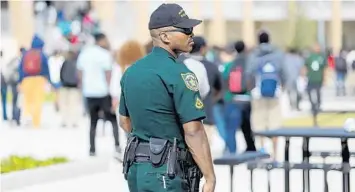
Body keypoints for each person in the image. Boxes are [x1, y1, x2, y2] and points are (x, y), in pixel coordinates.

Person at [119, 3, 215, 192]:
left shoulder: (132, 72)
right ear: (164, 36)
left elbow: (124, 121)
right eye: (186, 30)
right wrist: (210, 177)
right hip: (167, 172)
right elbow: (194, 131)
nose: (191, 34)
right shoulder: (179, 74)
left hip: (137, 170)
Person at [77, 33, 120, 156]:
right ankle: (117, 145)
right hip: (103, 92)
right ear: (100, 40)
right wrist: (110, 89)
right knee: (112, 119)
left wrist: (83, 86)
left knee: (93, 121)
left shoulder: (84, 54)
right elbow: (108, 74)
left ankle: (92, 149)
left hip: (89, 92)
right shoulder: (104, 54)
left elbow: (80, 73)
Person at [246, 31, 286, 158]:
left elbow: (248, 73)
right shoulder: (277, 54)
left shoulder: (254, 55)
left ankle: (263, 149)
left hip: (258, 94)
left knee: (260, 123)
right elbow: (284, 73)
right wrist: (282, 87)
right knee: (274, 124)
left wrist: (250, 89)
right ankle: (275, 154)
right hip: (275, 93)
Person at [182, 36, 223, 147]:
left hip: (186, 117)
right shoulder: (212, 66)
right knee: (206, 151)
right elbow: (220, 89)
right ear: (203, 48)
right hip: (206, 114)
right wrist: (211, 101)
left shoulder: (180, 64)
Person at [222, 40, 257, 154]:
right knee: (247, 126)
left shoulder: (230, 65)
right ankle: (251, 147)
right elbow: (253, 81)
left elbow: (224, 81)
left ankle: (232, 150)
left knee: (231, 127)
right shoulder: (249, 63)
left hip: (233, 99)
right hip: (246, 99)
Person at [18, 35, 52, 128]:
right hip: (39, 79)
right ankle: (36, 122)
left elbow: (20, 68)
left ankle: (27, 116)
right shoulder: (42, 55)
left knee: (28, 100)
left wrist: (20, 81)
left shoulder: (26, 54)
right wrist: (49, 80)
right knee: (37, 100)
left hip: (26, 80)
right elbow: (46, 68)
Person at [110, 40, 146, 114]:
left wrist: (114, 98)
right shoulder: (144, 67)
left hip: (123, 102)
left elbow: (113, 88)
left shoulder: (119, 68)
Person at [1, 48, 25, 124]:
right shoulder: (18, 61)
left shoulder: (14, 60)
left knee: (14, 100)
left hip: (11, 82)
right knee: (17, 100)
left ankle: (13, 116)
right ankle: (16, 117)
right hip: (15, 82)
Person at [59, 50, 80, 127]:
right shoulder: (77, 63)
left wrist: (62, 82)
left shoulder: (65, 62)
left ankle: (64, 121)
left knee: (64, 104)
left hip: (64, 86)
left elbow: (61, 73)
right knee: (74, 105)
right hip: (74, 87)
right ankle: (74, 121)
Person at [304, 43, 327, 113]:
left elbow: (324, 69)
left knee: (318, 93)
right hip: (311, 78)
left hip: (318, 78)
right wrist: (304, 76)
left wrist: (324, 78)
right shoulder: (309, 57)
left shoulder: (321, 57)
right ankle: (312, 105)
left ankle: (318, 105)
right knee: (309, 92)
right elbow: (305, 67)